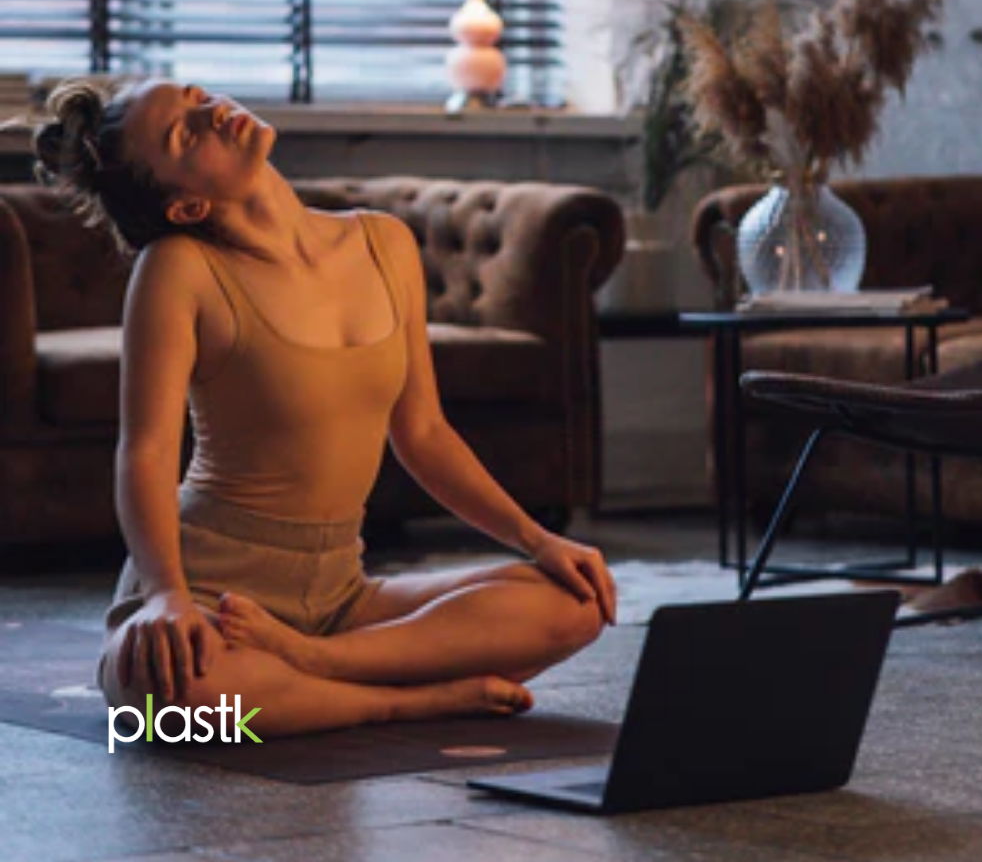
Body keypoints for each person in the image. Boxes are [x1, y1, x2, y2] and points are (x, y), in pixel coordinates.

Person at [34, 77, 617, 738]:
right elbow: (146, 451)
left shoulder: (384, 243)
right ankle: (404, 700)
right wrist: (165, 593)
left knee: (575, 603)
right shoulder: (178, 269)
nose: (211, 112)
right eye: (184, 132)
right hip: (210, 591)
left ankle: (315, 665)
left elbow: (423, 433)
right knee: (166, 697)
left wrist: (538, 539)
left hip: (342, 596)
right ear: (189, 206)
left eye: (197, 97)